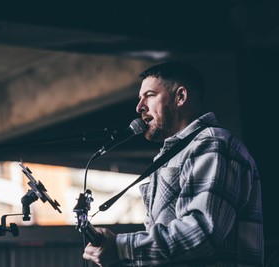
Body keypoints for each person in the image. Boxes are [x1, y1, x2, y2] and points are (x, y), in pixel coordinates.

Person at [83, 61, 264, 266]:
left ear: (181, 97)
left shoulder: (212, 143)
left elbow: (202, 232)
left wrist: (121, 246)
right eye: (140, 98)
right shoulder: (169, 157)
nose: (139, 107)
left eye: (149, 95)